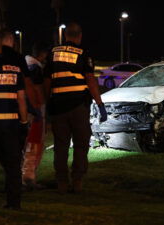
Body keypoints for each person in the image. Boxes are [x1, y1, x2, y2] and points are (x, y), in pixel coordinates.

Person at [44, 22, 107, 194]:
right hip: (79, 105)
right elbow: (90, 80)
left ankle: (62, 183)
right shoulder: (83, 53)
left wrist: (46, 102)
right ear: (79, 36)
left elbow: (47, 81)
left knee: (61, 145)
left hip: (58, 106)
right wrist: (100, 104)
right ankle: (77, 180)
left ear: (65, 35)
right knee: (80, 144)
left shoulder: (53, 53)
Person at [0, 30, 28, 209]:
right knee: (12, 166)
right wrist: (24, 123)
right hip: (10, 125)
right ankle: (14, 202)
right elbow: (21, 99)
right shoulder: (15, 68)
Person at [22, 42, 50, 190]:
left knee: (26, 143)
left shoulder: (24, 64)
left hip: (24, 110)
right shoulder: (35, 68)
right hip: (35, 110)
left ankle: (23, 175)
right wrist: (39, 109)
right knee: (34, 144)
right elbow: (36, 89)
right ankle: (28, 178)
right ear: (42, 54)